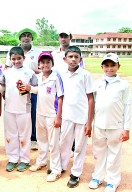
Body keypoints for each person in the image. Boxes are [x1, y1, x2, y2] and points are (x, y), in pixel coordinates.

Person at [88, 53, 130, 192]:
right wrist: (90, 123)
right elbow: (92, 105)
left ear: (118, 66)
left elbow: (128, 106)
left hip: (116, 125)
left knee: (114, 154)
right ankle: (98, 177)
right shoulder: (97, 84)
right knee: (99, 152)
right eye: (106, 65)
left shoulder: (123, 85)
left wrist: (126, 128)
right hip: (99, 124)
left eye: (113, 65)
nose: (110, 68)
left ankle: (112, 181)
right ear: (102, 67)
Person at [59, 46, 94, 188]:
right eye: (70, 57)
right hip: (67, 116)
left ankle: (76, 173)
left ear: (81, 59)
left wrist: (89, 122)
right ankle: (61, 166)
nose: (73, 60)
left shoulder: (85, 74)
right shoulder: (62, 74)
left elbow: (91, 98)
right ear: (65, 59)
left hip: (82, 117)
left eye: (76, 57)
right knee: (64, 143)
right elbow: (61, 96)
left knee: (79, 146)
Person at [0, 46, 38, 172]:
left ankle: (25, 160)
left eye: (19, 58)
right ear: (10, 59)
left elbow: (36, 89)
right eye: (13, 59)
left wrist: (29, 88)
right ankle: (13, 159)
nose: (16, 61)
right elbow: (1, 89)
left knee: (24, 136)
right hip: (9, 109)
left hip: (24, 109)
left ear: (24, 58)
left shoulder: (30, 73)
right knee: (10, 135)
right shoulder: (6, 73)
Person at [5, 28, 42, 151]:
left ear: (32, 38)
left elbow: (44, 69)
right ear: (20, 38)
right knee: (15, 113)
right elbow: (7, 67)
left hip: (32, 86)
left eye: (29, 35)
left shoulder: (37, 52)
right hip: (14, 89)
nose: (26, 37)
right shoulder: (12, 51)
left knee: (32, 112)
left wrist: (33, 72)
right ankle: (15, 144)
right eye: (23, 35)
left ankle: (33, 138)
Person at [29, 52, 64, 182]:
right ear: (39, 64)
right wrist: (29, 88)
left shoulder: (56, 77)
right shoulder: (39, 77)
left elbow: (60, 97)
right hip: (40, 113)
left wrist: (58, 117)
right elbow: (39, 90)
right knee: (41, 140)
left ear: (52, 64)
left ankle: (56, 169)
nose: (45, 64)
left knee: (53, 143)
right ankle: (41, 161)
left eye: (48, 62)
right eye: (43, 62)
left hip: (52, 115)